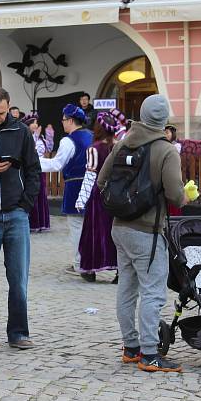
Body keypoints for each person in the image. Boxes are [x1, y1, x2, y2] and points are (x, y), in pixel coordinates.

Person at [98, 94, 185, 374]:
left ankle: (130, 348)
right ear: (163, 120)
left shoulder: (123, 142)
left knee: (127, 288)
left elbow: (102, 181)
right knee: (153, 292)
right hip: (147, 230)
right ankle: (150, 353)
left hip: (119, 227)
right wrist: (184, 195)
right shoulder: (166, 150)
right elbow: (175, 195)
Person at [0, 88, 41, 352]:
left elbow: (34, 169)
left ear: (9, 107)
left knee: (18, 279)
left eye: (1, 113)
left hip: (16, 214)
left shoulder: (21, 132)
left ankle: (18, 333)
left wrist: (26, 204)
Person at [40, 104, 93, 274]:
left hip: (75, 186)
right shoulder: (92, 136)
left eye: (63, 120)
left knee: (77, 226)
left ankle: (80, 263)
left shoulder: (68, 140)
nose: (62, 123)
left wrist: (34, 162)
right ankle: (91, 261)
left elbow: (57, 164)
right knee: (92, 226)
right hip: (93, 185)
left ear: (70, 120)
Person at [75, 111, 119, 282]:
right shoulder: (119, 146)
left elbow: (90, 176)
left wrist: (81, 199)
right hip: (116, 196)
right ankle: (119, 269)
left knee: (94, 233)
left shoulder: (94, 149)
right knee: (115, 232)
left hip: (99, 196)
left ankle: (90, 269)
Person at [25, 114, 50, 233]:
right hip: (31, 169)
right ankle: (32, 223)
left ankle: (42, 223)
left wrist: (50, 136)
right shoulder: (27, 137)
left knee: (41, 195)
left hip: (42, 169)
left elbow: (49, 149)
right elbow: (30, 150)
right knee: (33, 194)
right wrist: (35, 135)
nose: (35, 125)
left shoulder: (41, 138)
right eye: (33, 123)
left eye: (36, 122)